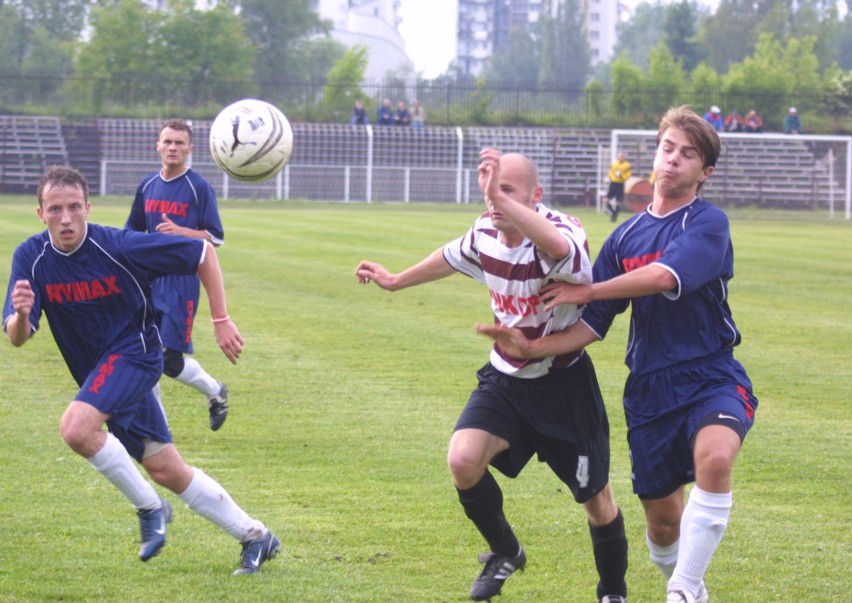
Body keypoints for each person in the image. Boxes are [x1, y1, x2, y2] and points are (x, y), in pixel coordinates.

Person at [476, 106, 758, 603]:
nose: (673, 160)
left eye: (687, 155)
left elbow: (662, 276)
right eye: (667, 148)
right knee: (663, 528)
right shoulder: (626, 236)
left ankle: (686, 590)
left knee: (715, 459)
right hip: (649, 389)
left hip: (710, 375)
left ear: (704, 172)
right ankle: (679, 570)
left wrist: (589, 289)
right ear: (656, 154)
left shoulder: (709, 223)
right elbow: (591, 327)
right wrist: (533, 347)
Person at [355, 149, 629, 603]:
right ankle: (506, 550)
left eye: (508, 191)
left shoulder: (561, 232)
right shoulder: (486, 231)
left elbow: (560, 250)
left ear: (535, 197)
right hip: (507, 380)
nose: (494, 202)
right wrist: (396, 280)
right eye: (491, 192)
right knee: (463, 460)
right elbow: (450, 256)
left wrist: (500, 197)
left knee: (596, 499)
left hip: (564, 386)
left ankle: (612, 592)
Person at [3, 166, 282, 574]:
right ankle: (255, 535)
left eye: (75, 207)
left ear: (88, 207)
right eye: (56, 209)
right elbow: (18, 335)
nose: (66, 218)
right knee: (165, 468)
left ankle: (151, 510)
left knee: (77, 428)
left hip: (137, 354)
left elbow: (204, 253)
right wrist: (22, 313)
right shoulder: (31, 257)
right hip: (101, 372)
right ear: (40, 212)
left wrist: (220, 318)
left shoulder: (118, 246)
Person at [126, 119, 230, 431]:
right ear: (157, 145)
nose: (173, 148)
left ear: (190, 149)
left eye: (179, 143)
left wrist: (180, 232)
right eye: (168, 142)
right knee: (145, 354)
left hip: (180, 283)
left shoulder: (198, 188)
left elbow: (216, 237)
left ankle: (215, 392)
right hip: (148, 281)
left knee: (169, 360)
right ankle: (161, 429)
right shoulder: (146, 186)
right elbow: (131, 230)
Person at [605, 151, 632, 223]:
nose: (621, 157)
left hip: (620, 184)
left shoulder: (627, 165)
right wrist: (610, 177)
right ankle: (613, 213)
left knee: (618, 202)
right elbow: (610, 172)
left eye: (622, 156)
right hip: (613, 183)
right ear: (618, 156)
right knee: (606, 200)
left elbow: (628, 176)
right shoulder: (614, 164)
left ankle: (614, 217)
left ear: (624, 157)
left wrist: (621, 176)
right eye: (620, 156)